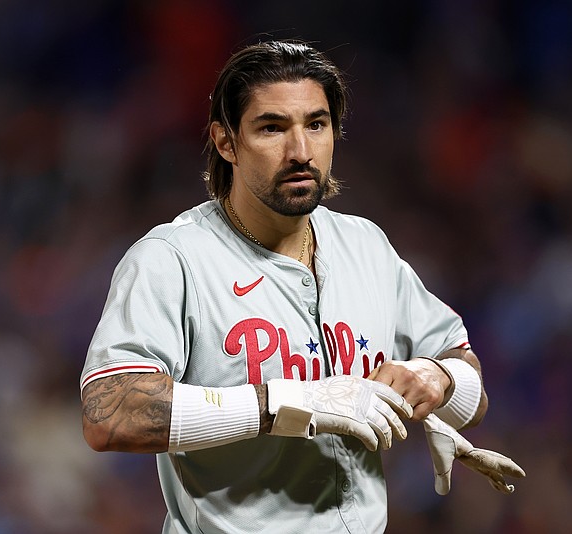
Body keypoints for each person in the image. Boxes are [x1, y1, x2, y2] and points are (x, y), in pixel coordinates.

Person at [80, 40, 499, 533]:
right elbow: (110, 414)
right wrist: (291, 403)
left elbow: (469, 382)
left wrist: (437, 379)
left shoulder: (365, 245)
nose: (301, 151)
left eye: (316, 125)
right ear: (225, 141)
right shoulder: (173, 259)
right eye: (272, 128)